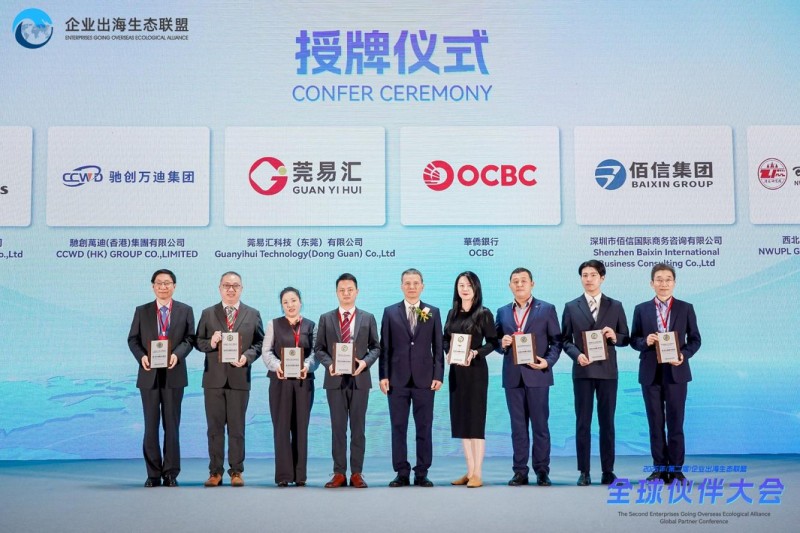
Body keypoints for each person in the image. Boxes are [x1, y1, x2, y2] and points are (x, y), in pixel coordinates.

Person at [630, 263, 701, 484]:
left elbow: (695, 340)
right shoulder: (641, 309)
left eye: (668, 279)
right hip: (650, 373)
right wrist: (645, 341)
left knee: (676, 422)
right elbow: (633, 340)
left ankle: (676, 470)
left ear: (674, 283)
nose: (663, 283)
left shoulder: (685, 308)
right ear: (651, 283)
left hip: (676, 371)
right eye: (659, 279)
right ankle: (659, 469)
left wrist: (683, 355)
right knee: (655, 423)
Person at [561, 260, 630, 486]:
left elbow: (625, 338)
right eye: (584, 275)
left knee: (607, 422)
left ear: (602, 277)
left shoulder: (615, 306)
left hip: (608, 372)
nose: (588, 279)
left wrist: (614, 337)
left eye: (592, 275)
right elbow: (564, 340)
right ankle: (584, 471)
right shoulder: (571, 306)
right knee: (583, 422)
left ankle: (608, 470)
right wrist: (577, 355)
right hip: (582, 370)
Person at [127, 269, 195, 487]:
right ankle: (153, 474)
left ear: (174, 286)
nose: (163, 287)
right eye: (159, 283)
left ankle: (171, 473)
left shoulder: (185, 310)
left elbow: (190, 339)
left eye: (167, 283)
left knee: (172, 426)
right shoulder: (142, 311)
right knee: (151, 426)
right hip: (149, 375)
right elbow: (133, 339)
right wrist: (142, 358)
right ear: (153, 286)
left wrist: (177, 355)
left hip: (174, 374)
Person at [195, 272, 264, 487]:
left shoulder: (253, 314)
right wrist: (211, 342)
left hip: (239, 378)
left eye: (235, 286)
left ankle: (236, 471)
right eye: (226, 285)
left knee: (237, 428)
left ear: (241, 288)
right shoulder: (208, 313)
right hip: (213, 380)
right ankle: (215, 472)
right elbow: (198, 342)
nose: (231, 289)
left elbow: (260, 343)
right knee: (214, 429)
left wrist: (246, 357)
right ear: (220, 288)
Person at [495, 267, 562, 487]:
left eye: (523, 280)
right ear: (510, 285)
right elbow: (496, 341)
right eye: (515, 281)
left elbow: (557, 342)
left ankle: (542, 471)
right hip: (513, 377)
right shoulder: (503, 312)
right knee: (518, 428)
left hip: (538, 375)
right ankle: (520, 472)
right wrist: (502, 343)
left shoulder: (547, 309)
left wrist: (547, 362)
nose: (519, 284)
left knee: (540, 426)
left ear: (532, 283)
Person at [379, 268, 444, 488]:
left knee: (424, 426)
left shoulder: (433, 312)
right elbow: (385, 347)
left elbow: (438, 347)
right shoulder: (390, 312)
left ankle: (422, 472)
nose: (412, 287)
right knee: (398, 427)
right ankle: (401, 472)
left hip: (425, 379)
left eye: (416, 283)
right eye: (407, 283)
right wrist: (383, 375)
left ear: (422, 286)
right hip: (396, 380)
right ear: (401, 286)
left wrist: (438, 375)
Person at [315, 273, 380, 488]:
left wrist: (365, 363)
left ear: (357, 292)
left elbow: (376, 347)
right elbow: (319, 348)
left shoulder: (367, 317)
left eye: (350, 289)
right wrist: (329, 364)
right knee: (338, 428)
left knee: (358, 429)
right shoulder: (326, 318)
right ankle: (339, 473)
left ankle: (357, 473)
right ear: (336, 292)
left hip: (360, 378)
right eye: (342, 290)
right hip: (334, 380)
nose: (346, 293)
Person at [443, 271, 498, 488]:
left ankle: (478, 473)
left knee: (475, 422)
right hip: (457, 372)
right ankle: (469, 471)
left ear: (476, 288)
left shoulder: (484, 314)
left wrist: (475, 352)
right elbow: (445, 339)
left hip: (475, 372)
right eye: (461, 285)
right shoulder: (452, 313)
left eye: (468, 285)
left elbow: (492, 342)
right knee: (462, 422)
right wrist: (448, 351)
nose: (464, 289)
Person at [263, 287, 318, 487]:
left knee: (301, 427)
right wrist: (278, 366)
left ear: (300, 302)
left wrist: (306, 366)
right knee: (281, 427)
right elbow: (266, 351)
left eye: (293, 300)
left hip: (304, 382)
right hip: (280, 381)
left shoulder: (311, 325)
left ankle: (300, 475)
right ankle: (284, 475)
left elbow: (316, 352)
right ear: (282, 305)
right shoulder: (273, 324)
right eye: (285, 302)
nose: (290, 305)